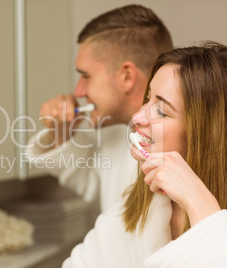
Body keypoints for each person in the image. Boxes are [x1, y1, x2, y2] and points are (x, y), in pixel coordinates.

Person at [63, 42, 227, 267]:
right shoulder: (138, 206)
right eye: (148, 99)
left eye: (161, 110)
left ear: (204, 133)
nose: (138, 117)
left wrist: (201, 207)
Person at [27, 4, 173, 212]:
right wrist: (62, 134)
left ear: (126, 77)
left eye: (86, 76)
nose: (78, 91)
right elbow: (90, 183)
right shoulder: (117, 136)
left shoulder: (176, 151)